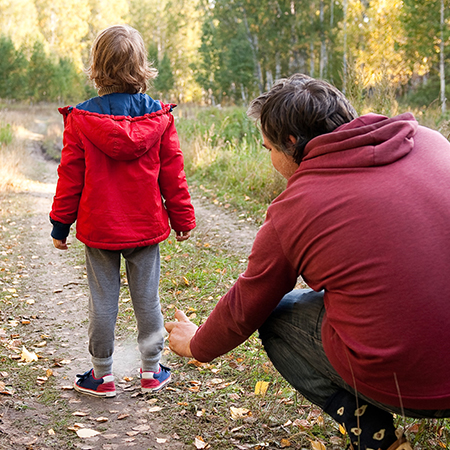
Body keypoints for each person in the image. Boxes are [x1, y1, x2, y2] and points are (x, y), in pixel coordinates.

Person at [165, 74, 450, 450]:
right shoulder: (431, 141)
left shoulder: (296, 207)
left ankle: (374, 436)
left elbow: (246, 307)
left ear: (292, 143)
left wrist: (195, 344)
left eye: (268, 149)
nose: (270, 160)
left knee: (277, 316)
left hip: (410, 389)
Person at [50, 25, 196, 398]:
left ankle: (102, 376)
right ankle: (151, 371)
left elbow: (71, 177)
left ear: (97, 67)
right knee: (147, 299)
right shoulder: (158, 117)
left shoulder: (83, 119)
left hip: (100, 228)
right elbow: (172, 173)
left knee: (102, 301)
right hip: (145, 226)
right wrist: (182, 218)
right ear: (141, 66)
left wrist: (60, 225)